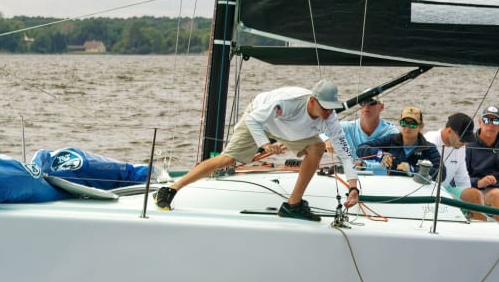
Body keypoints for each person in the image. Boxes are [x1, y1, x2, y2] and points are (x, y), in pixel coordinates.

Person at [153, 79, 360, 221]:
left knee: (318, 148)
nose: (329, 112)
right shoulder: (288, 102)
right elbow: (254, 120)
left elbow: (345, 153)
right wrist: (264, 144)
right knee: (227, 160)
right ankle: (170, 189)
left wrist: (353, 188)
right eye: (325, 107)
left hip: (289, 130)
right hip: (259, 119)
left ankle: (293, 205)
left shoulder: (329, 119)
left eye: (332, 107)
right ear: (312, 101)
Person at [424, 111, 490, 219]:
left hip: (447, 189)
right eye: (463, 139)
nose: (465, 143)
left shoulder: (460, 147)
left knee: (475, 195)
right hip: (427, 189)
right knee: (452, 201)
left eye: (467, 140)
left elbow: (462, 179)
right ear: (449, 131)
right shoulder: (429, 141)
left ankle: (481, 226)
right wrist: (449, 197)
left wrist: (469, 201)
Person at [357, 106, 442, 174]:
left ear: (421, 126)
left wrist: (412, 170)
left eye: (412, 125)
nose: (407, 128)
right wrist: (380, 155)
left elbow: (441, 173)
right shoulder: (391, 140)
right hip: (392, 185)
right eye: (404, 123)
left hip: (416, 186)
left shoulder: (429, 148)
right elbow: (361, 148)